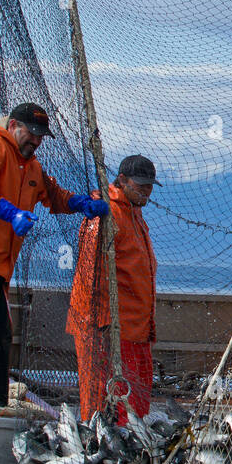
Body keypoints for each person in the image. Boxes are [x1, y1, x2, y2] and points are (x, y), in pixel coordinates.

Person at [0, 103, 109, 414]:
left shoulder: (32, 167)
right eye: (32, 133)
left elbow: (53, 195)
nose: (37, 140)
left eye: (41, 135)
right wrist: (10, 212)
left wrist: (82, 203)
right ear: (13, 125)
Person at [66, 155, 157, 423]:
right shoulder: (105, 213)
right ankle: (100, 448)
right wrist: (101, 327)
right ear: (122, 180)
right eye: (140, 184)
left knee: (133, 407)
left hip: (135, 328)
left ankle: (129, 451)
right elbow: (89, 274)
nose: (146, 190)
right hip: (107, 329)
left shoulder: (134, 211)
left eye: (150, 185)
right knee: (102, 406)